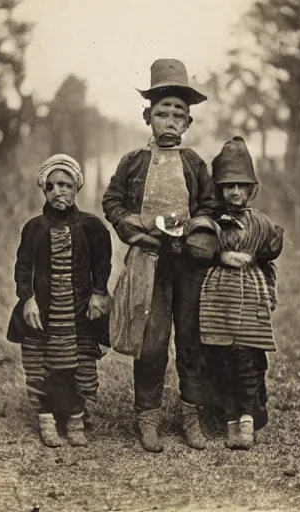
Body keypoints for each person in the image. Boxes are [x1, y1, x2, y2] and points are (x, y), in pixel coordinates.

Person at [102, 58, 218, 453]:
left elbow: (209, 205)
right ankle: (147, 417)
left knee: (190, 339)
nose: (169, 120)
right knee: (151, 342)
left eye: (178, 115)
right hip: (149, 264)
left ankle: (191, 417)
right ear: (147, 116)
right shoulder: (133, 162)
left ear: (188, 123)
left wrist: (198, 228)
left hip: (187, 264)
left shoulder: (194, 163)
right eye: (162, 113)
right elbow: (112, 200)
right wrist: (130, 226)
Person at [7, 154, 112, 447]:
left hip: (78, 309)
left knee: (78, 365)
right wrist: (27, 299)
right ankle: (47, 419)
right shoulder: (34, 227)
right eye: (51, 186)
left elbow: (102, 264)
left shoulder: (92, 227)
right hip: (43, 310)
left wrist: (99, 293)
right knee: (41, 365)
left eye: (65, 185)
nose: (58, 192)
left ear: (76, 187)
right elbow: (23, 268)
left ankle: (75, 417)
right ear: (44, 190)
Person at [199, 136, 284, 450]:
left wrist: (269, 293)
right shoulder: (212, 221)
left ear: (252, 189)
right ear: (219, 190)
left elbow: (269, 259)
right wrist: (220, 256)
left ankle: (247, 416)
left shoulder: (261, 223)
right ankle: (231, 416)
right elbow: (198, 247)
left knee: (248, 357)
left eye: (242, 186)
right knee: (221, 356)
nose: (235, 192)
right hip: (218, 298)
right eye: (228, 186)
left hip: (250, 298)